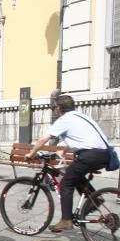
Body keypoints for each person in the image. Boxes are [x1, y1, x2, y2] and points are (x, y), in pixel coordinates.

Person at [26, 94, 112, 232]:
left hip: (90, 155)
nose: (54, 110)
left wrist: (31, 153)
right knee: (74, 172)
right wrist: (65, 149)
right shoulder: (82, 116)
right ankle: (94, 199)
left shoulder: (64, 119)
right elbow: (80, 137)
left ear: (59, 108)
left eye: (54, 108)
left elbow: (43, 139)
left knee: (66, 182)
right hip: (105, 154)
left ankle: (66, 220)